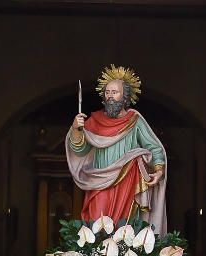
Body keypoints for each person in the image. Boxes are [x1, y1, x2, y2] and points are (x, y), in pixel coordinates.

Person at [66, 65, 167, 235]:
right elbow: (81, 150)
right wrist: (76, 129)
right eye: (107, 92)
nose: (110, 96)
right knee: (96, 222)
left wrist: (158, 169)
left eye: (115, 92)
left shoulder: (134, 121)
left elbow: (154, 147)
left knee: (124, 228)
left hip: (127, 180)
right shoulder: (93, 121)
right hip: (99, 182)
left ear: (125, 96)